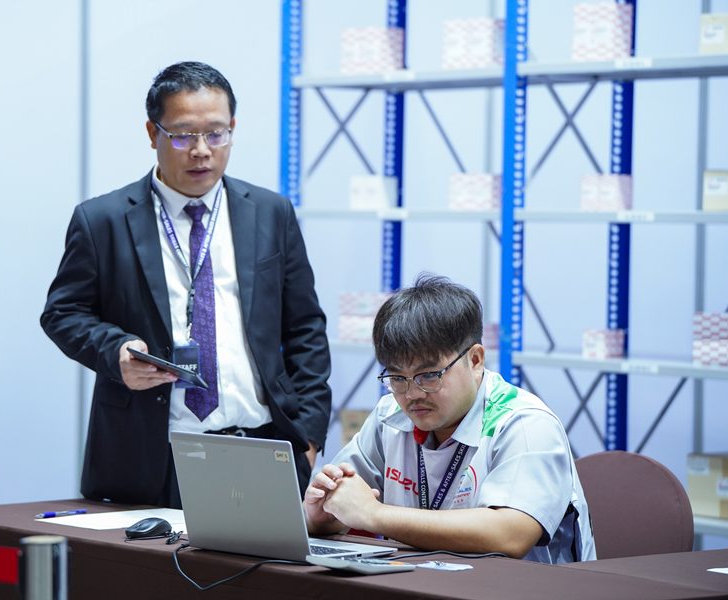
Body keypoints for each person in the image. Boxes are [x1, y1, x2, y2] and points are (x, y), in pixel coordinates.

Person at [41, 61, 331, 508]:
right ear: (152, 133)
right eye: (182, 135)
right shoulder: (103, 220)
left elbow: (305, 329)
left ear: (232, 129)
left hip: (260, 446)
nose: (201, 151)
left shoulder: (270, 213)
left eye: (216, 134)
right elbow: (62, 313)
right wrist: (115, 352)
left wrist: (307, 437)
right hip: (149, 455)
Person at [304, 274, 595, 563]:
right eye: (397, 377)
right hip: (416, 581)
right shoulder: (389, 415)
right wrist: (320, 516)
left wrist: (375, 514)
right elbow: (343, 501)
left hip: (521, 585)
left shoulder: (524, 422)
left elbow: (511, 534)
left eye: (429, 375)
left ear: (475, 360)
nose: (412, 394)